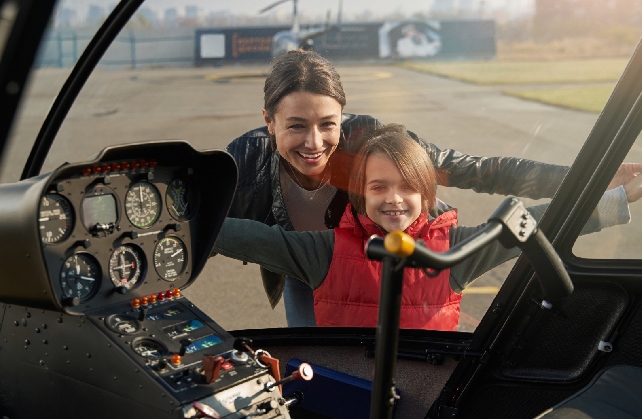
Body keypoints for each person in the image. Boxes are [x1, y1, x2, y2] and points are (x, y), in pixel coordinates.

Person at [225, 49, 640, 326]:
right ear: (269, 120)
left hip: (411, 250)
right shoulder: (245, 163)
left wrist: (594, 179)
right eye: (296, 126)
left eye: (327, 124)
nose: (314, 143)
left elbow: (486, 172)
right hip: (316, 264)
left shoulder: (372, 142)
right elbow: (204, 230)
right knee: (315, 357)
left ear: (343, 117)